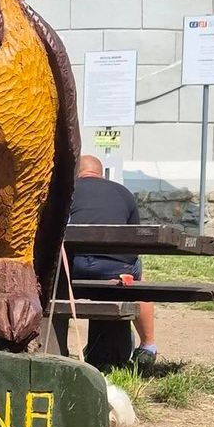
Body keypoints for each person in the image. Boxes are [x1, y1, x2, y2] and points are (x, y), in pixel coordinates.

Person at [68, 154, 157, 367]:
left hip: (72, 268)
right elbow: (133, 240)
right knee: (138, 278)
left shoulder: (67, 190)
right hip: (115, 270)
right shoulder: (123, 192)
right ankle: (148, 346)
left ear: (75, 173)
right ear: (101, 174)